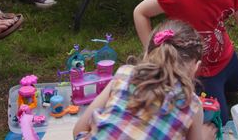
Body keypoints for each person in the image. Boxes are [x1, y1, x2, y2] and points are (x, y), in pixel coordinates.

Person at [73, 19, 209, 140]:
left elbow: (79, 131)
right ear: (195, 68)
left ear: (146, 56)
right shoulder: (192, 104)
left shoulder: (125, 73)